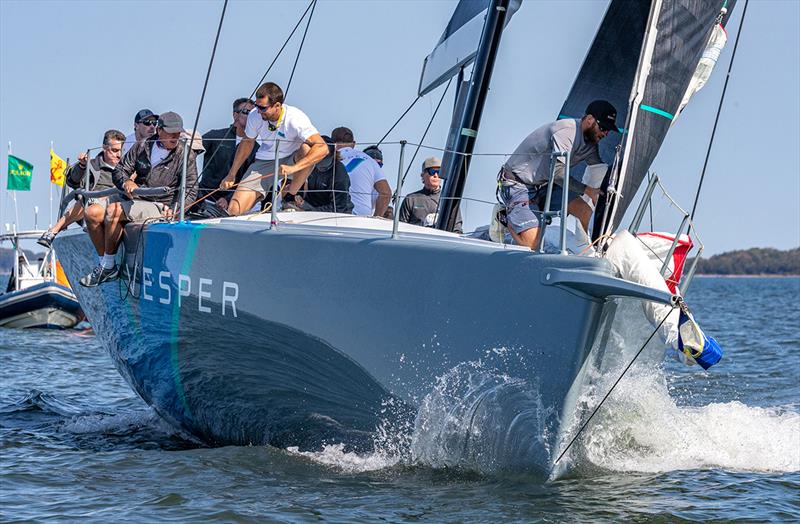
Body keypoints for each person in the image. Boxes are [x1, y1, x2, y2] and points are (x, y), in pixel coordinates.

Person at [78, 111, 198, 287]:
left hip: (159, 203)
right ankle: (106, 262)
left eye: (178, 132)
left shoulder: (185, 153)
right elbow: (119, 171)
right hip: (133, 198)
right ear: (159, 130)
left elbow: (191, 187)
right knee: (92, 213)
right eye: (171, 131)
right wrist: (126, 182)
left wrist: (177, 209)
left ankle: (108, 266)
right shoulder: (142, 146)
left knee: (114, 211)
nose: (175, 136)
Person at [497, 99, 619, 250]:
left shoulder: (591, 143)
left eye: (608, 130)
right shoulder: (567, 133)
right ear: (589, 120)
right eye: (603, 128)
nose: (605, 133)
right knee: (533, 244)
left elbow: (598, 167)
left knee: (585, 211)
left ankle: (595, 251)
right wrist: (587, 190)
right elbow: (558, 174)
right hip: (518, 185)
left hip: (545, 185)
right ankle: (503, 219)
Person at [220, 82, 328, 216]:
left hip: (293, 159)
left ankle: (290, 197)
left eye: (263, 108)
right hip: (265, 161)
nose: (258, 111)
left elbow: (323, 148)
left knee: (307, 148)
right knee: (234, 210)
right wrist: (232, 174)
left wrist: (293, 168)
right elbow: (247, 143)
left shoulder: (295, 118)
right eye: (257, 106)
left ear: (277, 106)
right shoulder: (255, 115)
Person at [37, 130, 126, 251]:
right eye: (115, 150)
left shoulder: (127, 167)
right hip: (90, 209)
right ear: (104, 147)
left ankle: (53, 230)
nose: (119, 155)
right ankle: (54, 230)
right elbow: (72, 181)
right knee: (86, 198)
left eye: (121, 150)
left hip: (117, 205)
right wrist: (82, 166)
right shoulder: (92, 164)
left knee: (94, 199)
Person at [196, 97, 256, 211]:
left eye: (253, 113)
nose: (250, 116)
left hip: (233, 203)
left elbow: (249, 180)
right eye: (246, 112)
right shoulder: (215, 136)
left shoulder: (257, 148)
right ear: (235, 115)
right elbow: (191, 151)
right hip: (203, 198)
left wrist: (228, 199)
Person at [331, 127, 391, 217]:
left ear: (332, 143)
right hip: (362, 218)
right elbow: (386, 193)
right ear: (354, 143)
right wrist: (376, 219)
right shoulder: (369, 160)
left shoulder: (327, 160)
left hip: (330, 215)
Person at [399, 157, 463, 233]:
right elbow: (401, 228)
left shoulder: (449, 200)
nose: (436, 175)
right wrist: (423, 225)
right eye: (432, 171)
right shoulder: (411, 199)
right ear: (422, 175)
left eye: (439, 172)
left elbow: (457, 229)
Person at [295, 135, 353, 213]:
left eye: (324, 165)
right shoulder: (310, 166)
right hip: (310, 208)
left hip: (335, 215)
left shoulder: (339, 174)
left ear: (333, 156)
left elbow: (339, 208)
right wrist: (299, 198)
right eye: (317, 162)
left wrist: (310, 210)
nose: (320, 168)